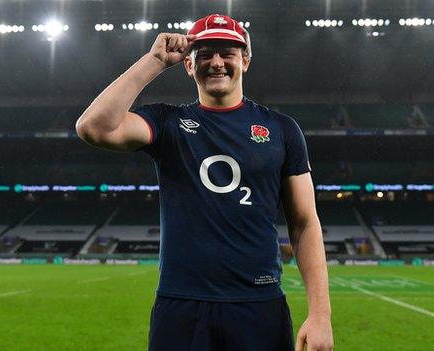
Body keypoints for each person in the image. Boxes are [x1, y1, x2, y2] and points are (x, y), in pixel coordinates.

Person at [76, 14, 333, 351]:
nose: (216, 63)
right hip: (181, 307)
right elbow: (94, 128)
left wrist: (320, 315)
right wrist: (153, 61)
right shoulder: (167, 123)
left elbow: (303, 223)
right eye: (205, 53)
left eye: (227, 52)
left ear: (245, 60)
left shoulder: (282, 129)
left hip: (259, 305)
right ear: (188, 64)